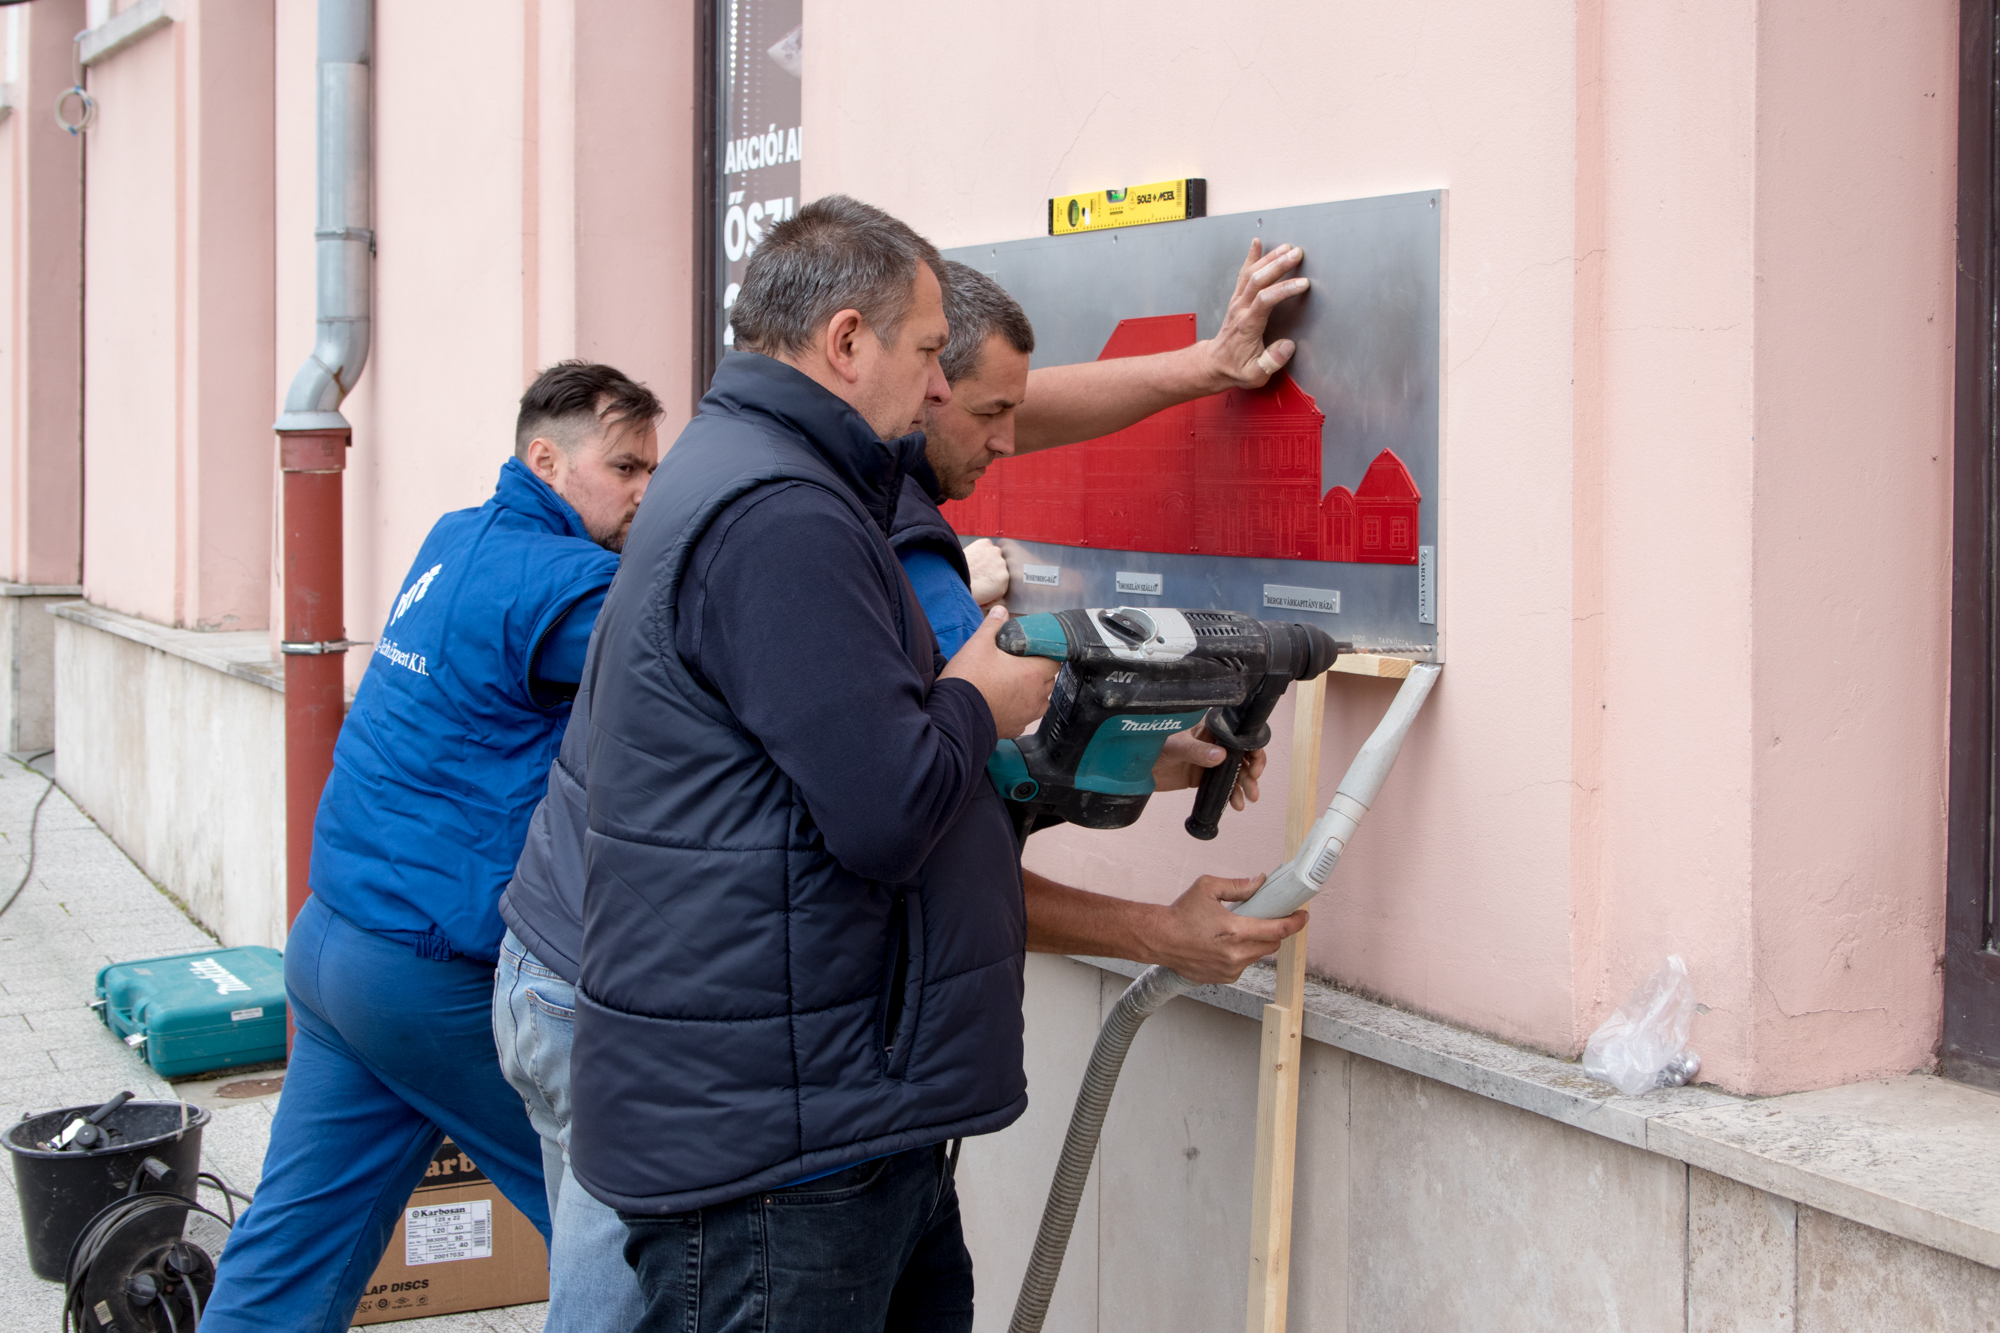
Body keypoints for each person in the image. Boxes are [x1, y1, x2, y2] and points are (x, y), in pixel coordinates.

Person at [495, 232, 1310, 1333]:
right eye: (936, 363)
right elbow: (905, 813)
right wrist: (993, 703)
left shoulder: (776, 457)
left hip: (773, 1074)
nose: (967, 411)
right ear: (847, 344)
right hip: (762, 1112)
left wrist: (1206, 367)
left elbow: (1005, 412)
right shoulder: (793, 522)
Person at [198, 362, 664, 1333]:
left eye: (653, 470)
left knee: (288, 1258)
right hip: (430, 979)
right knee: (635, 1233)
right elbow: (705, 650)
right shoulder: (565, 583)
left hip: (334, 946)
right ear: (547, 461)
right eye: (626, 467)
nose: (644, 492)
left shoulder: (458, 536)